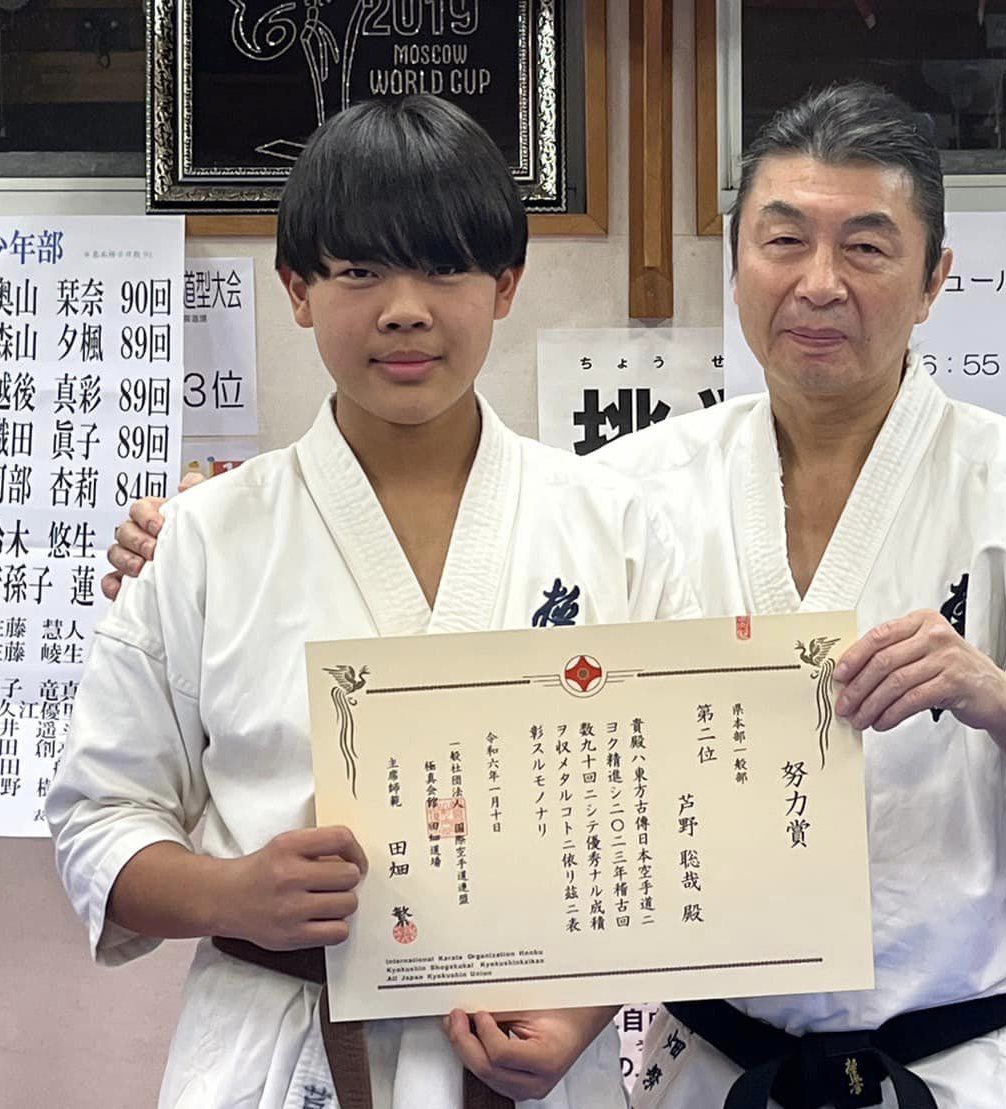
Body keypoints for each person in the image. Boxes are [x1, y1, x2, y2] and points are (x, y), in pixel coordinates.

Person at [107, 84, 1006, 1109]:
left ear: (933, 277)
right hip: (707, 1065)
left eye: (866, 247)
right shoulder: (633, 491)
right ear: (737, 261)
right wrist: (199, 537)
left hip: (953, 1061)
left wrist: (1001, 701)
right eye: (784, 240)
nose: (820, 282)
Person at [48, 95, 702, 1109]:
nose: (404, 308)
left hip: (531, 1051)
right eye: (358, 271)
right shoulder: (205, 538)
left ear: (506, 285)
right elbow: (99, 817)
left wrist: (582, 1013)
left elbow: (683, 807)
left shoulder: (618, 529)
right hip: (278, 1049)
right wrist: (234, 893)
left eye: (444, 268)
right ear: (297, 290)